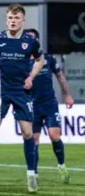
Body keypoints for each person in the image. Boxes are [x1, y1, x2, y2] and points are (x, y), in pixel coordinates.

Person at [0, 4, 45, 192]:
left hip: (21, 91)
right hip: (1, 90)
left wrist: (31, 77)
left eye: (16, 18)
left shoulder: (30, 42)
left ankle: (31, 175)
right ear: (6, 19)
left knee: (28, 133)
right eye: (10, 17)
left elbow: (40, 60)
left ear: (23, 21)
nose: (13, 21)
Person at [25, 28, 72, 183]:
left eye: (33, 38)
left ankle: (62, 165)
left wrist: (67, 95)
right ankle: (34, 173)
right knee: (34, 140)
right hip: (32, 105)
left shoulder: (48, 59)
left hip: (49, 104)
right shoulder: (22, 62)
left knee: (54, 135)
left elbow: (60, 76)